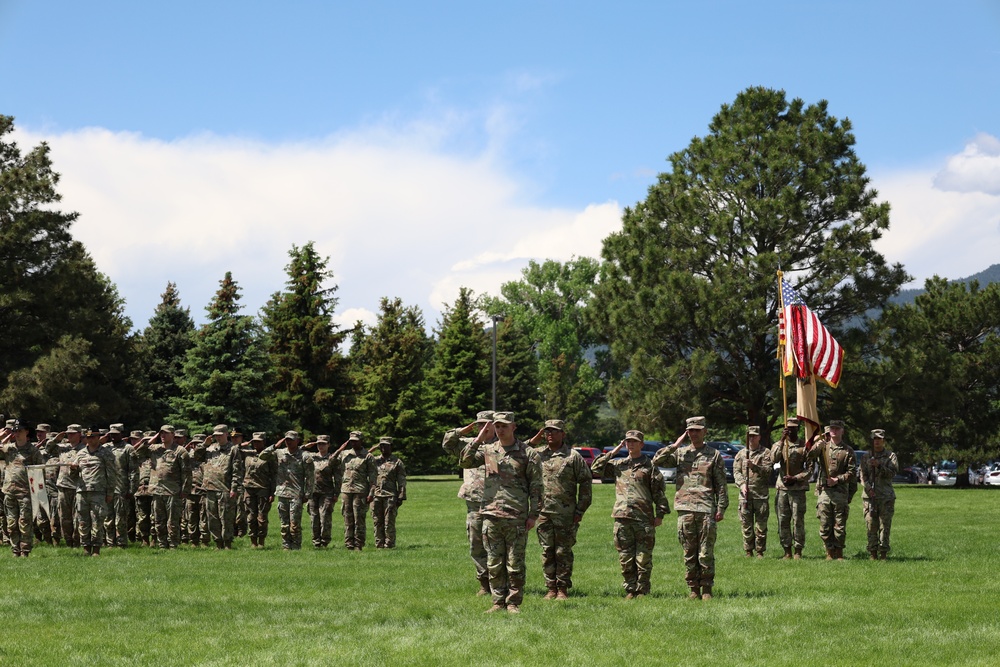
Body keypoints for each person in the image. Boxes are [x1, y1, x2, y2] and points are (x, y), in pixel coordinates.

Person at [460, 412, 542, 614]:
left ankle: (513, 602)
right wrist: (478, 439)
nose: (500, 429)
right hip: (491, 514)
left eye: (504, 425)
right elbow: (465, 461)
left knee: (515, 563)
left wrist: (533, 515)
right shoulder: (488, 450)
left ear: (514, 427)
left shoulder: (527, 453)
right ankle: (497, 602)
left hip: (516, 516)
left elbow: (537, 487)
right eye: (497, 426)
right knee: (494, 562)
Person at [653, 416, 729, 600]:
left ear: (705, 431)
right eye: (691, 430)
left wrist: (721, 507)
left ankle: (707, 588)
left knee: (706, 551)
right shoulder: (680, 453)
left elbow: (721, 483)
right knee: (688, 551)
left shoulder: (713, 454)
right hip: (685, 508)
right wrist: (675, 445)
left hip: (706, 508)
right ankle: (693, 588)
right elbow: (657, 460)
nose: (694, 433)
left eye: (697, 430)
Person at [593, 430, 669, 600]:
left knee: (643, 558)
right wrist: (614, 450)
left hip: (643, 518)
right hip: (622, 517)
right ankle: (630, 589)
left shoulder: (649, 466)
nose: (631, 444)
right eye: (628, 441)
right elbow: (596, 468)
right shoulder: (618, 465)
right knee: (625, 557)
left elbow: (659, 492)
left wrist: (660, 514)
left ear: (641, 444)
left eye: (634, 441)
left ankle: (642, 590)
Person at [526, 419, 592, 599]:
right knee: (547, 551)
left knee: (563, 551)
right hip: (543, 512)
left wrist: (580, 510)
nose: (549, 434)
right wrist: (534, 439)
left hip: (566, 514)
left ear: (563, 434)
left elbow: (585, 483)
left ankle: (562, 588)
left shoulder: (573, 456)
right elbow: (517, 451)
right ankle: (550, 588)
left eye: (554, 431)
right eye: (547, 431)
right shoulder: (537, 454)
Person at [441, 410, 495, 595]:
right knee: (476, 543)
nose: (483, 427)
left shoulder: (502, 445)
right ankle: (484, 583)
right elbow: (447, 444)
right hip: (474, 502)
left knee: (496, 545)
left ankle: (501, 583)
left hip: (497, 502)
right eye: (480, 423)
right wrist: (465, 431)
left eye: (487, 424)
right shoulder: (468, 444)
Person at [133, 425, 190, 549]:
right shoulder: (155, 449)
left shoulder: (180, 451)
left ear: (173, 435)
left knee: (173, 521)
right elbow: (137, 453)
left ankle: (173, 544)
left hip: (173, 491)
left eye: (166, 433)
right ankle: (162, 544)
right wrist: (151, 439)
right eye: (161, 434)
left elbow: (186, 473)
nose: (163, 436)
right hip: (157, 490)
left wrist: (185, 490)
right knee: (158, 521)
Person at [258, 431, 314, 550]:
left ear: (297, 441)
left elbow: (310, 477)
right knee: (284, 523)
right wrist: (275, 446)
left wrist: (308, 494)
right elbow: (262, 456)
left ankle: (296, 546)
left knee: (294, 524)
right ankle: (286, 546)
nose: (288, 442)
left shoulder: (305, 456)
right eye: (287, 439)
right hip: (282, 492)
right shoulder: (279, 453)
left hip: (296, 493)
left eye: (291, 440)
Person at [809, 419, 856, 560]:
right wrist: (817, 446)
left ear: (842, 431)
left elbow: (852, 473)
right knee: (824, 524)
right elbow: (809, 456)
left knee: (839, 526)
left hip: (840, 492)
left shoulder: (848, 451)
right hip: (825, 492)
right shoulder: (823, 447)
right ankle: (829, 551)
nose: (834, 431)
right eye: (832, 428)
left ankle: (839, 552)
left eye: (837, 428)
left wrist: (838, 479)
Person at [192, 425, 244, 549]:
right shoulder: (210, 449)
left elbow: (237, 471)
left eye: (220, 434)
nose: (218, 437)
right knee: (212, 518)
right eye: (216, 435)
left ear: (226, 434)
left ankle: (227, 543)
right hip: (209, 488)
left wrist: (234, 488)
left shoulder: (233, 449)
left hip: (225, 488)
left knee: (226, 518)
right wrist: (204, 445)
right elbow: (197, 457)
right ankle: (218, 543)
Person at [0, 419, 46, 556]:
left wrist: (38, 492)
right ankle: (15, 550)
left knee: (25, 522)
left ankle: (25, 551)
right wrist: (2, 437)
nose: (17, 433)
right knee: (11, 523)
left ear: (26, 432)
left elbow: (40, 471)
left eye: (20, 430)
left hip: (26, 492)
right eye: (15, 431)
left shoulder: (33, 451)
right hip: (9, 491)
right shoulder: (9, 448)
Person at [72, 427, 119, 556]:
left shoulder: (106, 453)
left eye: (93, 437)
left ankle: (96, 548)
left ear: (98, 437)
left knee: (97, 520)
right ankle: (86, 547)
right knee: (82, 520)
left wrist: (110, 492)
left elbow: (112, 474)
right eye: (88, 437)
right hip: (82, 491)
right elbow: (74, 474)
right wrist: (73, 469)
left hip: (98, 492)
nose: (90, 439)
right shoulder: (81, 453)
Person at [771, 418, 811, 559]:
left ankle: (798, 550)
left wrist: (795, 478)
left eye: (793, 428)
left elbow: (810, 470)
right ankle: (787, 550)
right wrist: (781, 440)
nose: (790, 430)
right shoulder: (780, 444)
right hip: (782, 489)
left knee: (798, 520)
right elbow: (773, 460)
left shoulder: (804, 446)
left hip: (798, 490)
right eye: (788, 427)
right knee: (783, 520)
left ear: (798, 429)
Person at [733, 425, 772, 558]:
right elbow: (736, 472)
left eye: (754, 436)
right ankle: (748, 551)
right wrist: (742, 484)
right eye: (749, 436)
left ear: (759, 437)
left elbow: (768, 472)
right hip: (745, 496)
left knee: (761, 526)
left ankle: (760, 551)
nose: (751, 439)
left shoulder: (766, 453)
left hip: (760, 495)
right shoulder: (741, 454)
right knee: (746, 524)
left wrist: (754, 466)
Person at [334, 431, 376, 551]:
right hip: (346, 490)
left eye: (355, 441)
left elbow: (373, 477)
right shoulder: (345, 454)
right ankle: (349, 544)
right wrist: (339, 449)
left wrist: (371, 493)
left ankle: (358, 544)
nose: (353, 443)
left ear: (361, 441)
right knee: (347, 518)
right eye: (351, 440)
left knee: (359, 519)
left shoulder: (368, 456)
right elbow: (331, 462)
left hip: (360, 491)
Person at [860, 429, 898, 560]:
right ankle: (872, 552)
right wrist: (868, 488)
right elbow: (862, 475)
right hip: (869, 497)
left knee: (884, 525)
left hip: (885, 496)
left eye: (879, 439)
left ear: (883, 440)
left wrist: (880, 465)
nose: (877, 441)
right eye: (874, 439)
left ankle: (883, 553)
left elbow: (893, 473)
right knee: (871, 524)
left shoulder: (890, 456)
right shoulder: (866, 456)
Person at [303, 434, 340, 548]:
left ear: (328, 445)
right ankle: (316, 542)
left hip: (327, 493)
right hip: (313, 492)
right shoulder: (311, 457)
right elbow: (297, 451)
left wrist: (336, 493)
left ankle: (324, 541)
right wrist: (306, 446)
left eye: (323, 443)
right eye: (319, 444)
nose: (321, 446)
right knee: (314, 518)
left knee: (325, 518)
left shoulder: (332, 459)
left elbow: (338, 477)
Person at [103, 423, 136, 548]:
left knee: (121, 518)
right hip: (107, 487)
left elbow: (133, 470)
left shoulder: (128, 448)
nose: (113, 437)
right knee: (108, 517)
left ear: (122, 434)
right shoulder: (105, 447)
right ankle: (110, 542)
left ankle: (122, 542)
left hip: (122, 487)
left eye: (116, 434)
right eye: (111, 434)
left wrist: (132, 489)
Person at [241, 432, 277, 548]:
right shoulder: (247, 454)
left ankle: (261, 541)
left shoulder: (270, 456)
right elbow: (233, 450)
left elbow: (274, 475)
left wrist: (272, 492)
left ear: (264, 442)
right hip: (249, 489)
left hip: (263, 489)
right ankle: (253, 542)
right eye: (254, 441)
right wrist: (244, 444)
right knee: (251, 517)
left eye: (259, 441)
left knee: (261, 518)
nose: (256, 444)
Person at [371, 437, 406, 549]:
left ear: (391, 446)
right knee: (377, 521)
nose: (383, 448)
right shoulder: (374, 461)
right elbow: (363, 456)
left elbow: (401, 480)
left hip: (390, 495)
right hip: (376, 495)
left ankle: (389, 544)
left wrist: (401, 496)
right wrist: (374, 447)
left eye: (385, 445)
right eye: (381, 445)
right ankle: (379, 544)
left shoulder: (397, 462)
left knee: (389, 522)